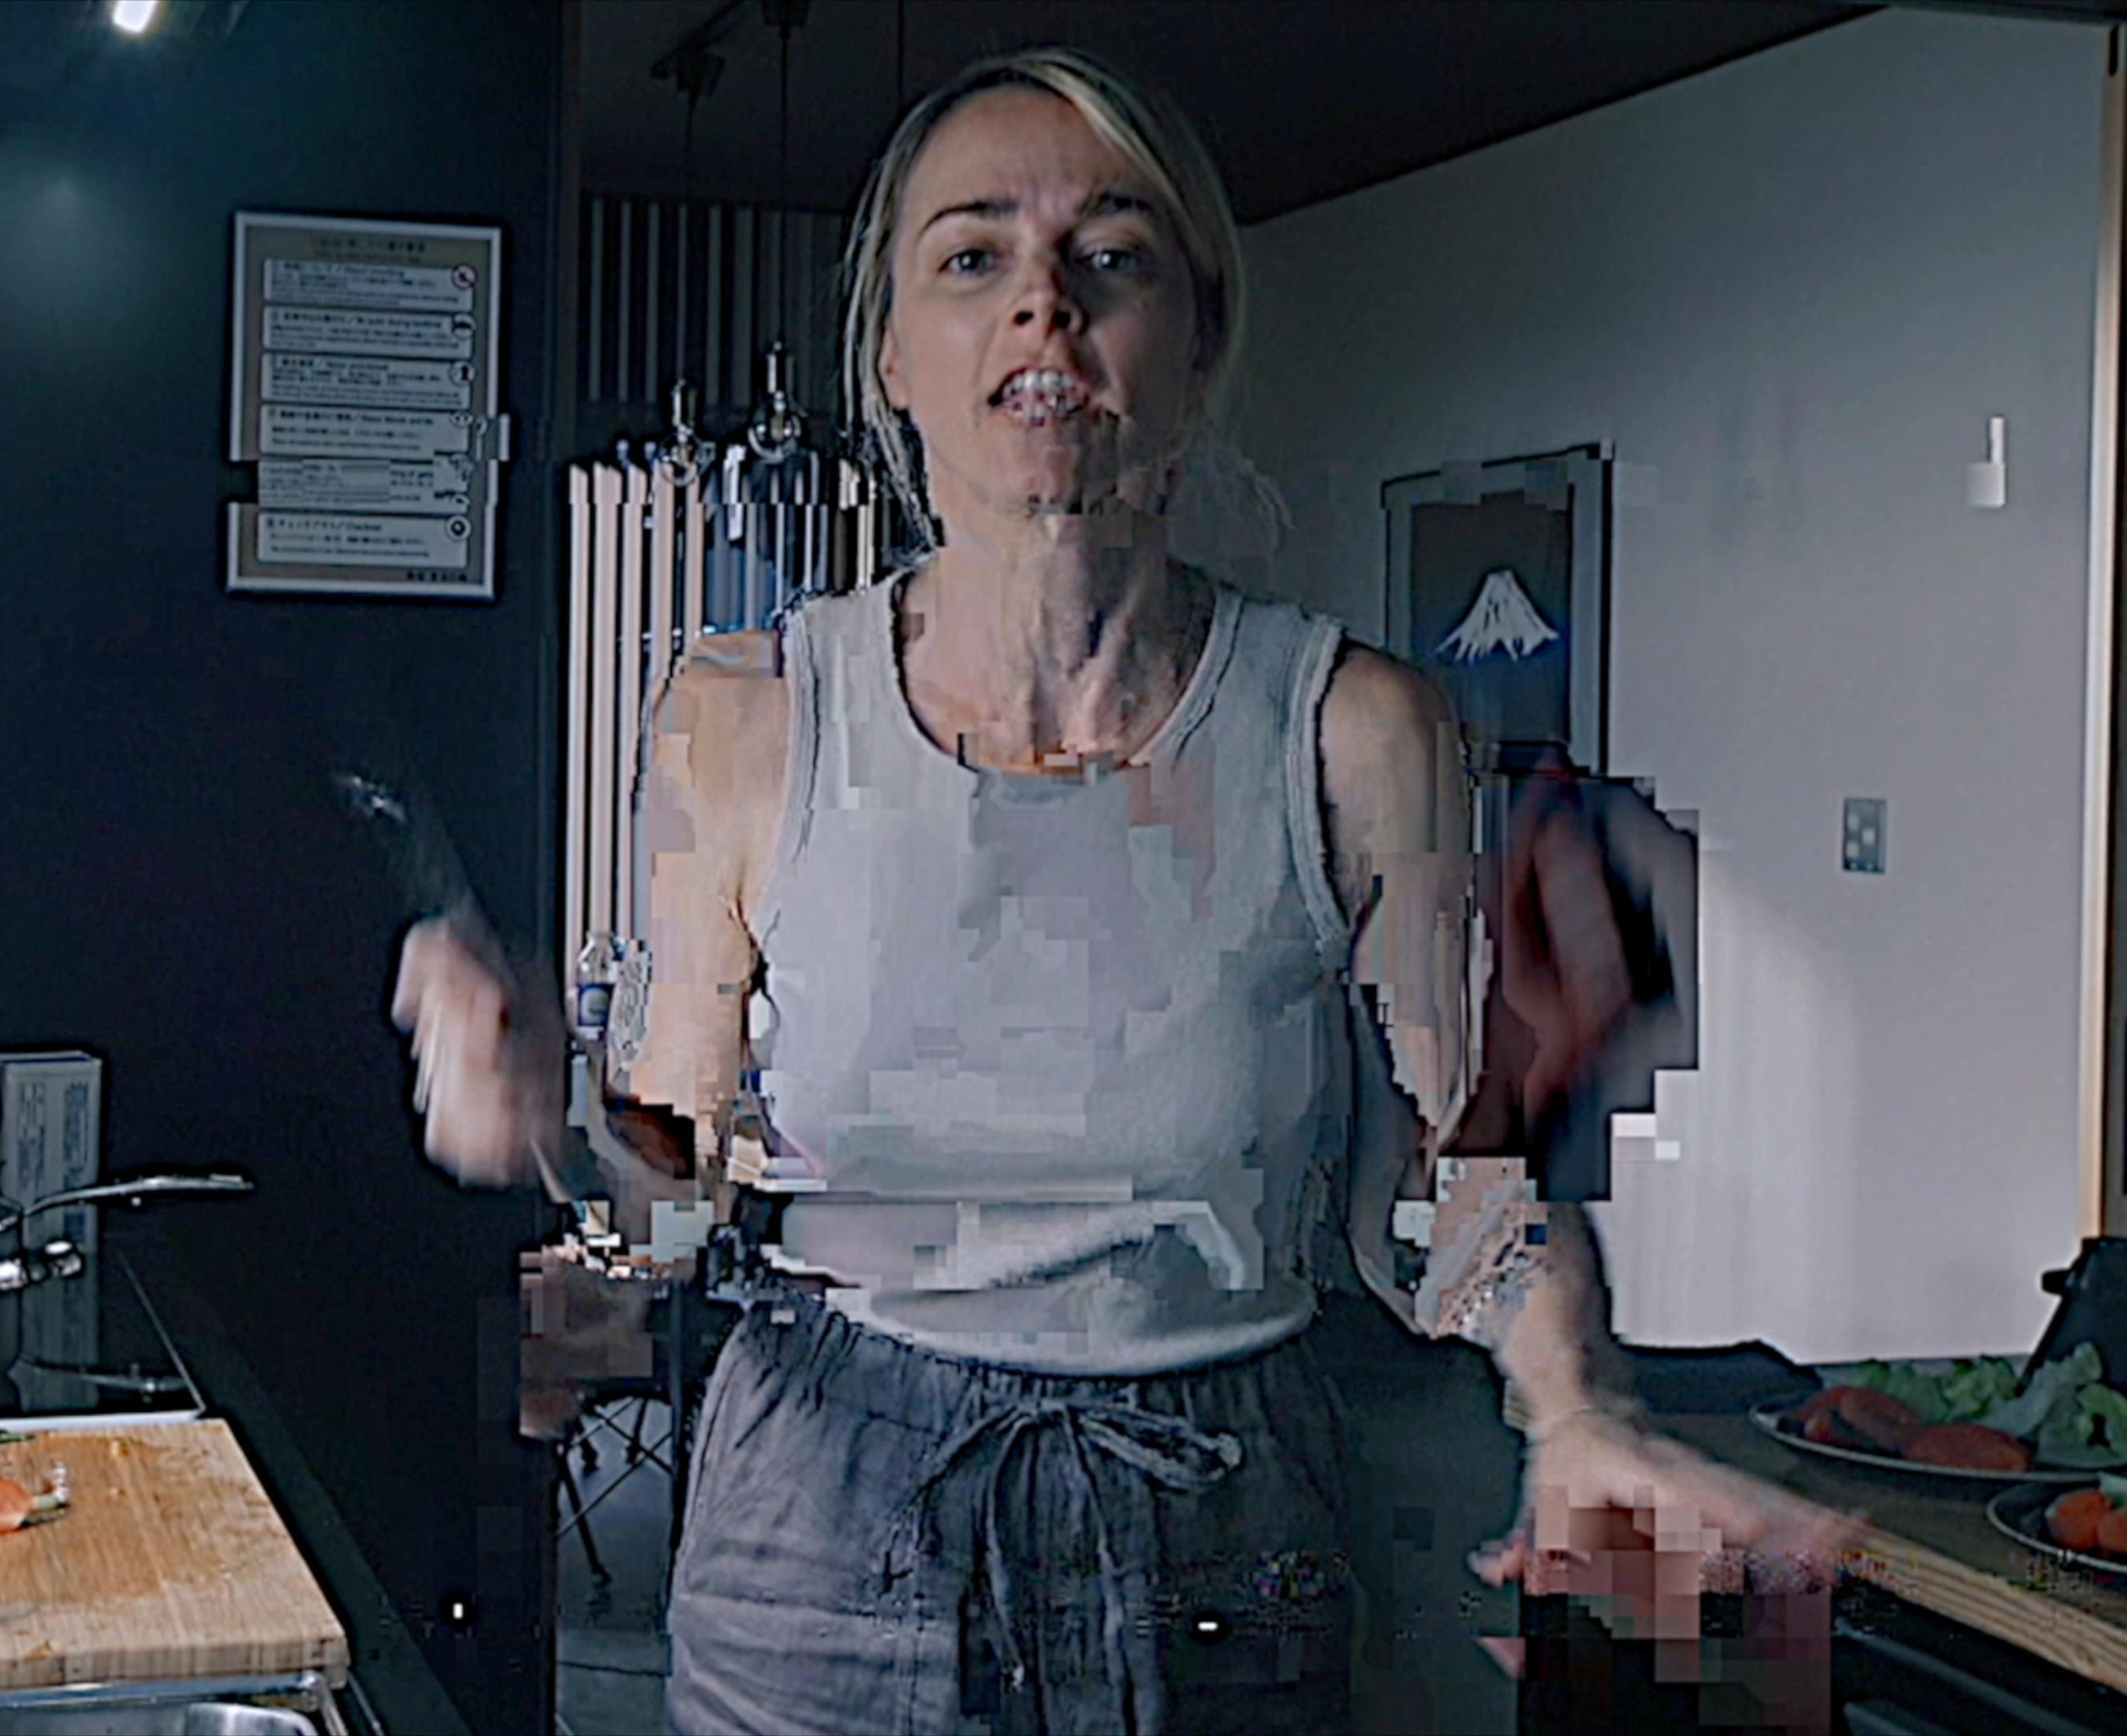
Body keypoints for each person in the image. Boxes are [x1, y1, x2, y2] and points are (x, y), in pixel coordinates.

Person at [394, 47, 1858, 1735]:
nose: (1045, 303)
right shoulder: (742, 717)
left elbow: (1456, 1181)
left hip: (1225, 1537)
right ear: (893, 354)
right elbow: (675, 1187)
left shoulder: (1357, 733)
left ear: (1199, 341)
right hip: (823, 1535)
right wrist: (558, 1112)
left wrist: (1580, 1410)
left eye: (1111, 255)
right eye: (974, 257)